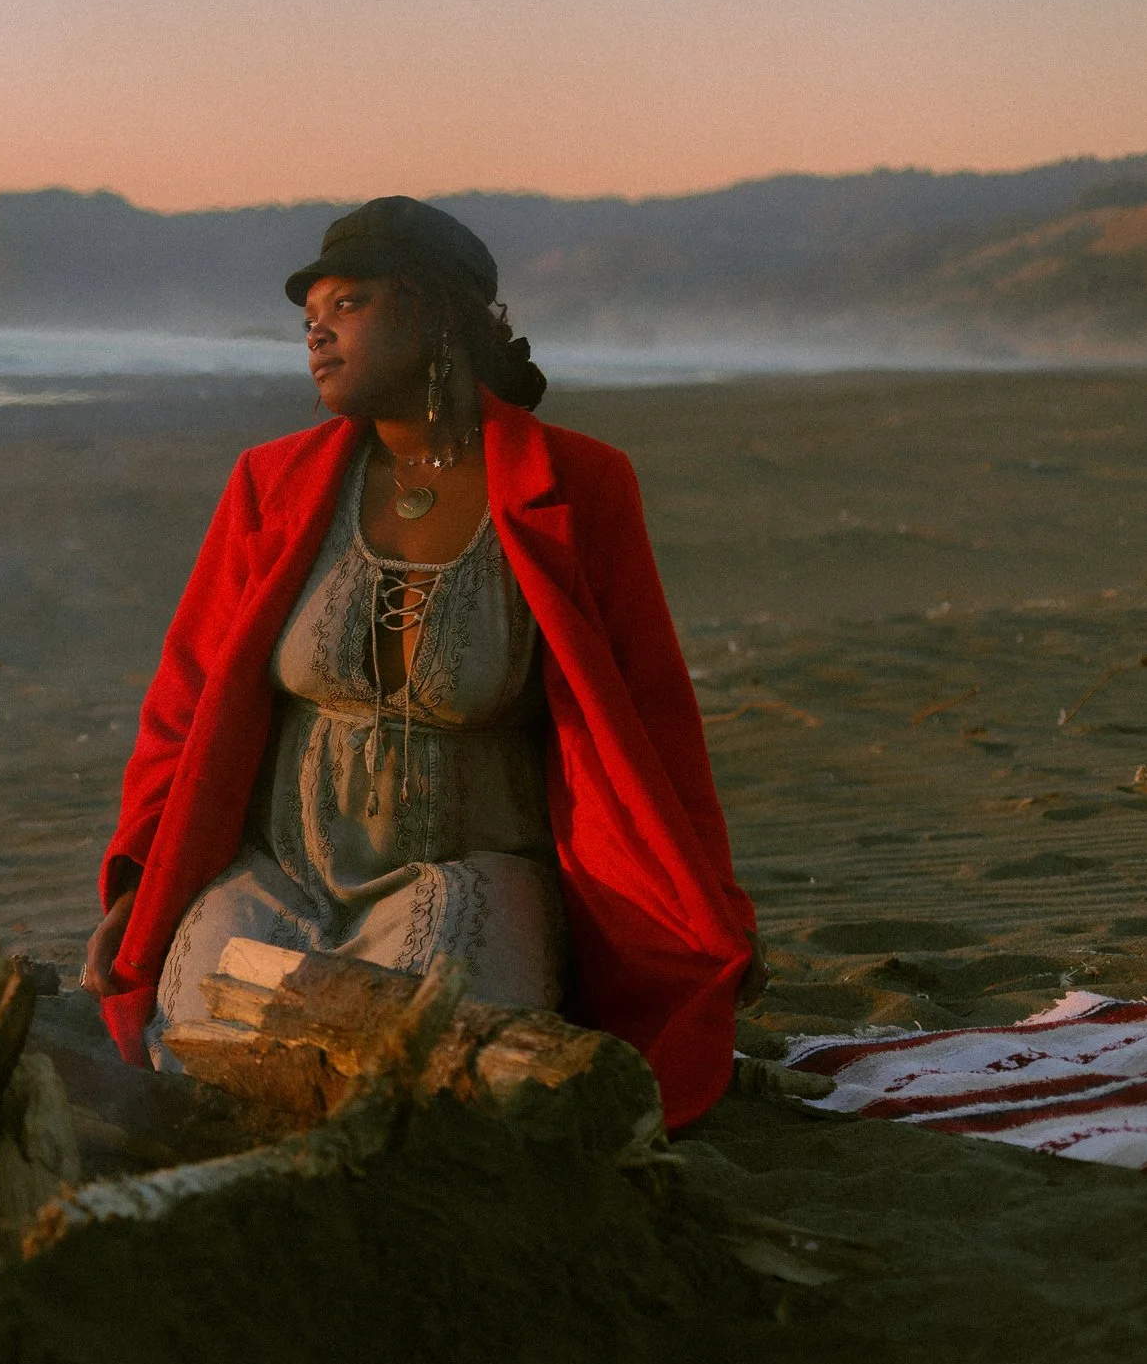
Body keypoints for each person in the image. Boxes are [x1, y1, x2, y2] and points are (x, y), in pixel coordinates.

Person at [79, 196, 762, 1129]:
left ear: (436, 312)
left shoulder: (580, 483)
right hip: (276, 876)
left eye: (348, 304)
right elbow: (186, 700)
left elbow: (649, 713)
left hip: (465, 877)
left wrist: (708, 906)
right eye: (308, 315)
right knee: (209, 1062)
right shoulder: (269, 482)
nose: (316, 331)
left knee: (415, 1089)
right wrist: (134, 882)